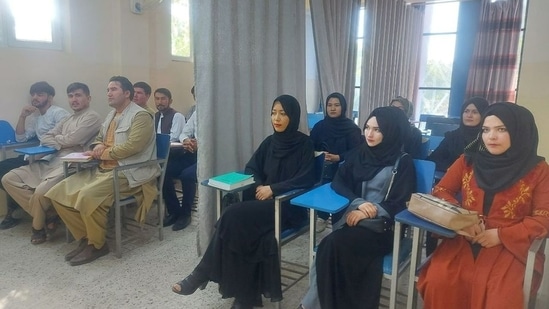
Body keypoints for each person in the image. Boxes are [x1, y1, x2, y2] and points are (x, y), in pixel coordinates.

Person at [172, 94, 316, 309]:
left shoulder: (304, 144)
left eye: (283, 113)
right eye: (273, 112)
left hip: (287, 207)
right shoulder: (270, 142)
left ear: (293, 116)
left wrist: (273, 189)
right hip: (262, 204)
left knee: (231, 216)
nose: (276, 118)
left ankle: (202, 273)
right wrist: (259, 186)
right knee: (247, 233)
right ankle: (246, 298)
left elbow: (306, 178)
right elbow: (252, 168)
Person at [417, 102, 549, 309]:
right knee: (440, 281)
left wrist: (501, 235)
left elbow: (544, 218)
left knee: (501, 296)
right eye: (486, 130)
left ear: (520, 131)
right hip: (465, 236)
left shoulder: (539, 170)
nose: (491, 137)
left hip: (511, 245)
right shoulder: (468, 160)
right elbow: (442, 190)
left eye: (501, 129)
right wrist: (462, 219)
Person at [299, 106, 416, 309]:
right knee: (328, 248)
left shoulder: (403, 162)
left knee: (331, 246)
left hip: (381, 229)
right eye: (367, 127)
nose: (369, 134)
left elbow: (400, 202)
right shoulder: (359, 154)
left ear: (391, 131)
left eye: (377, 129)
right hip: (351, 220)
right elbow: (339, 182)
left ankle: (311, 306)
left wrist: (369, 211)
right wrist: (359, 203)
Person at [45, 76, 159, 266]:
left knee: (88, 196)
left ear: (127, 93)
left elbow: (133, 147)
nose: (108, 93)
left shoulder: (141, 116)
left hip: (128, 172)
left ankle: (98, 245)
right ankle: (87, 238)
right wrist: (97, 145)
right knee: (57, 193)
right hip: (103, 168)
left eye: (113, 89)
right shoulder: (111, 115)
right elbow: (98, 138)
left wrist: (102, 153)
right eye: (108, 90)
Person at [2, 82, 101, 244]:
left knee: (40, 193)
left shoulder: (92, 117)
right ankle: (49, 213)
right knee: (8, 178)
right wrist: (62, 141)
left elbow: (73, 140)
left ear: (88, 98)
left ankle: (38, 228)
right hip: (52, 159)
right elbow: (47, 137)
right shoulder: (69, 117)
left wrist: (59, 140)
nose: (74, 99)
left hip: (72, 163)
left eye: (78, 95)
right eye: (71, 96)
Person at [0, 81, 69, 230]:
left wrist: (41, 153)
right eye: (33, 94)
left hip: (49, 158)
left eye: (40, 94)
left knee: (7, 173)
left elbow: (66, 139)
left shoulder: (59, 113)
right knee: (1, 169)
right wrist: (23, 116)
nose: (35, 97)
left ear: (50, 97)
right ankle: (46, 211)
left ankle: (20, 212)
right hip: (33, 155)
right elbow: (21, 139)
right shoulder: (35, 117)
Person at [309, 92, 362, 232]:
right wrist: (319, 154)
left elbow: (358, 151)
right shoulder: (319, 127)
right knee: (322, 179)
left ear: (343, 107)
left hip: (345, 167)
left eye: (337, 105)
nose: (332, 108)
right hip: (323, 168)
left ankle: (341, 217)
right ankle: (322, 215)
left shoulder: (351, 128)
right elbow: (309, 147)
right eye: (329, 105)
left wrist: (339, 157)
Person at [428, 96, 489, 173]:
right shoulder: (452, 137)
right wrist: (454, 169)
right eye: (466, 111)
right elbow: (433, 159)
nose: (469, 115)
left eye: (475, 112)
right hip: (451, 178)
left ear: (483, 115)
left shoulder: (489, 138)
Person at [162, 106, 197, 231]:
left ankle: (186, 213)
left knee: (187, 175)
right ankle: (174, 211)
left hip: (209, 155)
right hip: (192, 152)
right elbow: (185, 132)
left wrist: (200, 143)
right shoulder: (198, 113)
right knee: (163, 171)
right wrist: (186, 140)